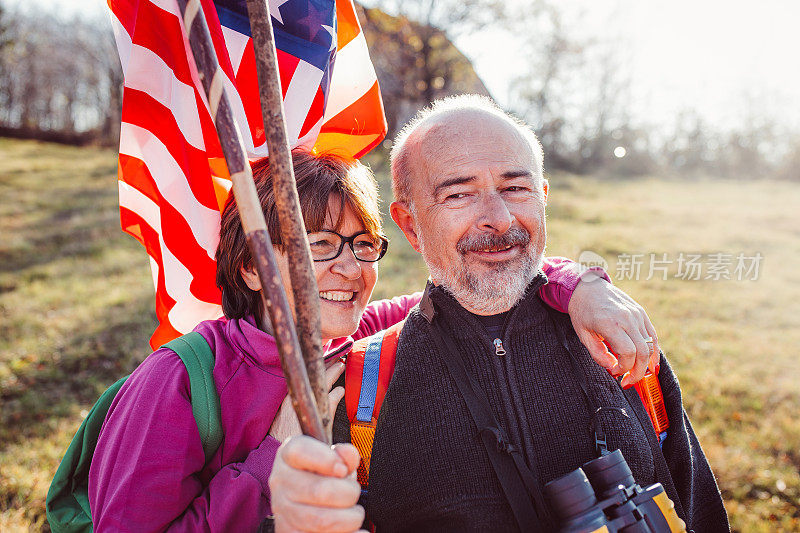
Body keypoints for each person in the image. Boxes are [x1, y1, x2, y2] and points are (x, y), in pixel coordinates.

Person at [88, 150, 659, 532]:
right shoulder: (181, 381)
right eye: (319, 245)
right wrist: (272, 465)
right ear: (252, 267)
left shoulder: (366, 334)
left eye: (363, 245)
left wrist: (582, 286)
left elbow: (490, 288)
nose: (350, 269)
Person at [270, 96, 729, 532]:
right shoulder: (361, 388)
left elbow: (699, 510)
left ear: (543, 196)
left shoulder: (619, 342)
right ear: (410, 224)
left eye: (516, 188)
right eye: (459, 195)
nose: (500, 218)